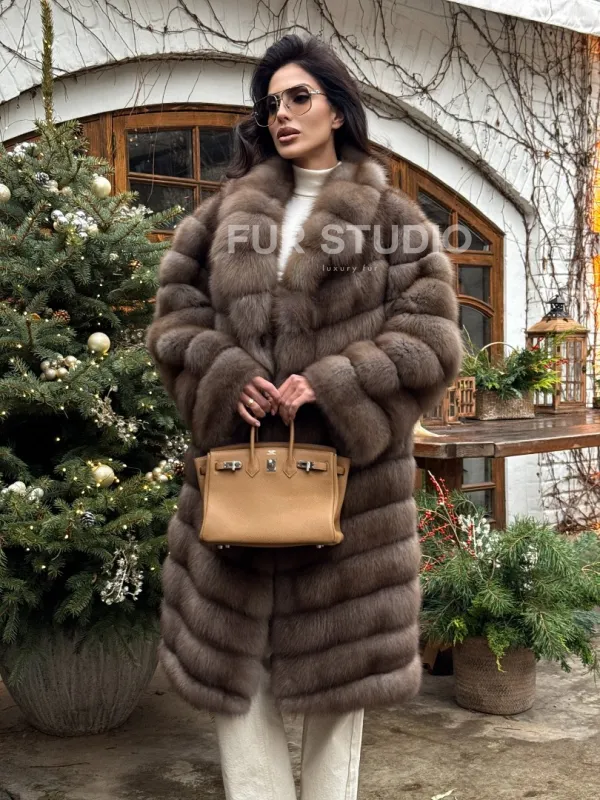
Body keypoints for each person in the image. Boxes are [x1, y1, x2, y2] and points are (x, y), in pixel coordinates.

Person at [146, 33, 463, 800]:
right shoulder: (220, 217)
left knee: (337, 699)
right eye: (271, 104)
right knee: (236, 687)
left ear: (336, 109)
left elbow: (432, 338)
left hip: (351, 503)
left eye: (298, 97)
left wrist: (333, 380)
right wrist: (226, 375)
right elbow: (174, 323)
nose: (281, 114)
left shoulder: (393, 222)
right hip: (235, 484)